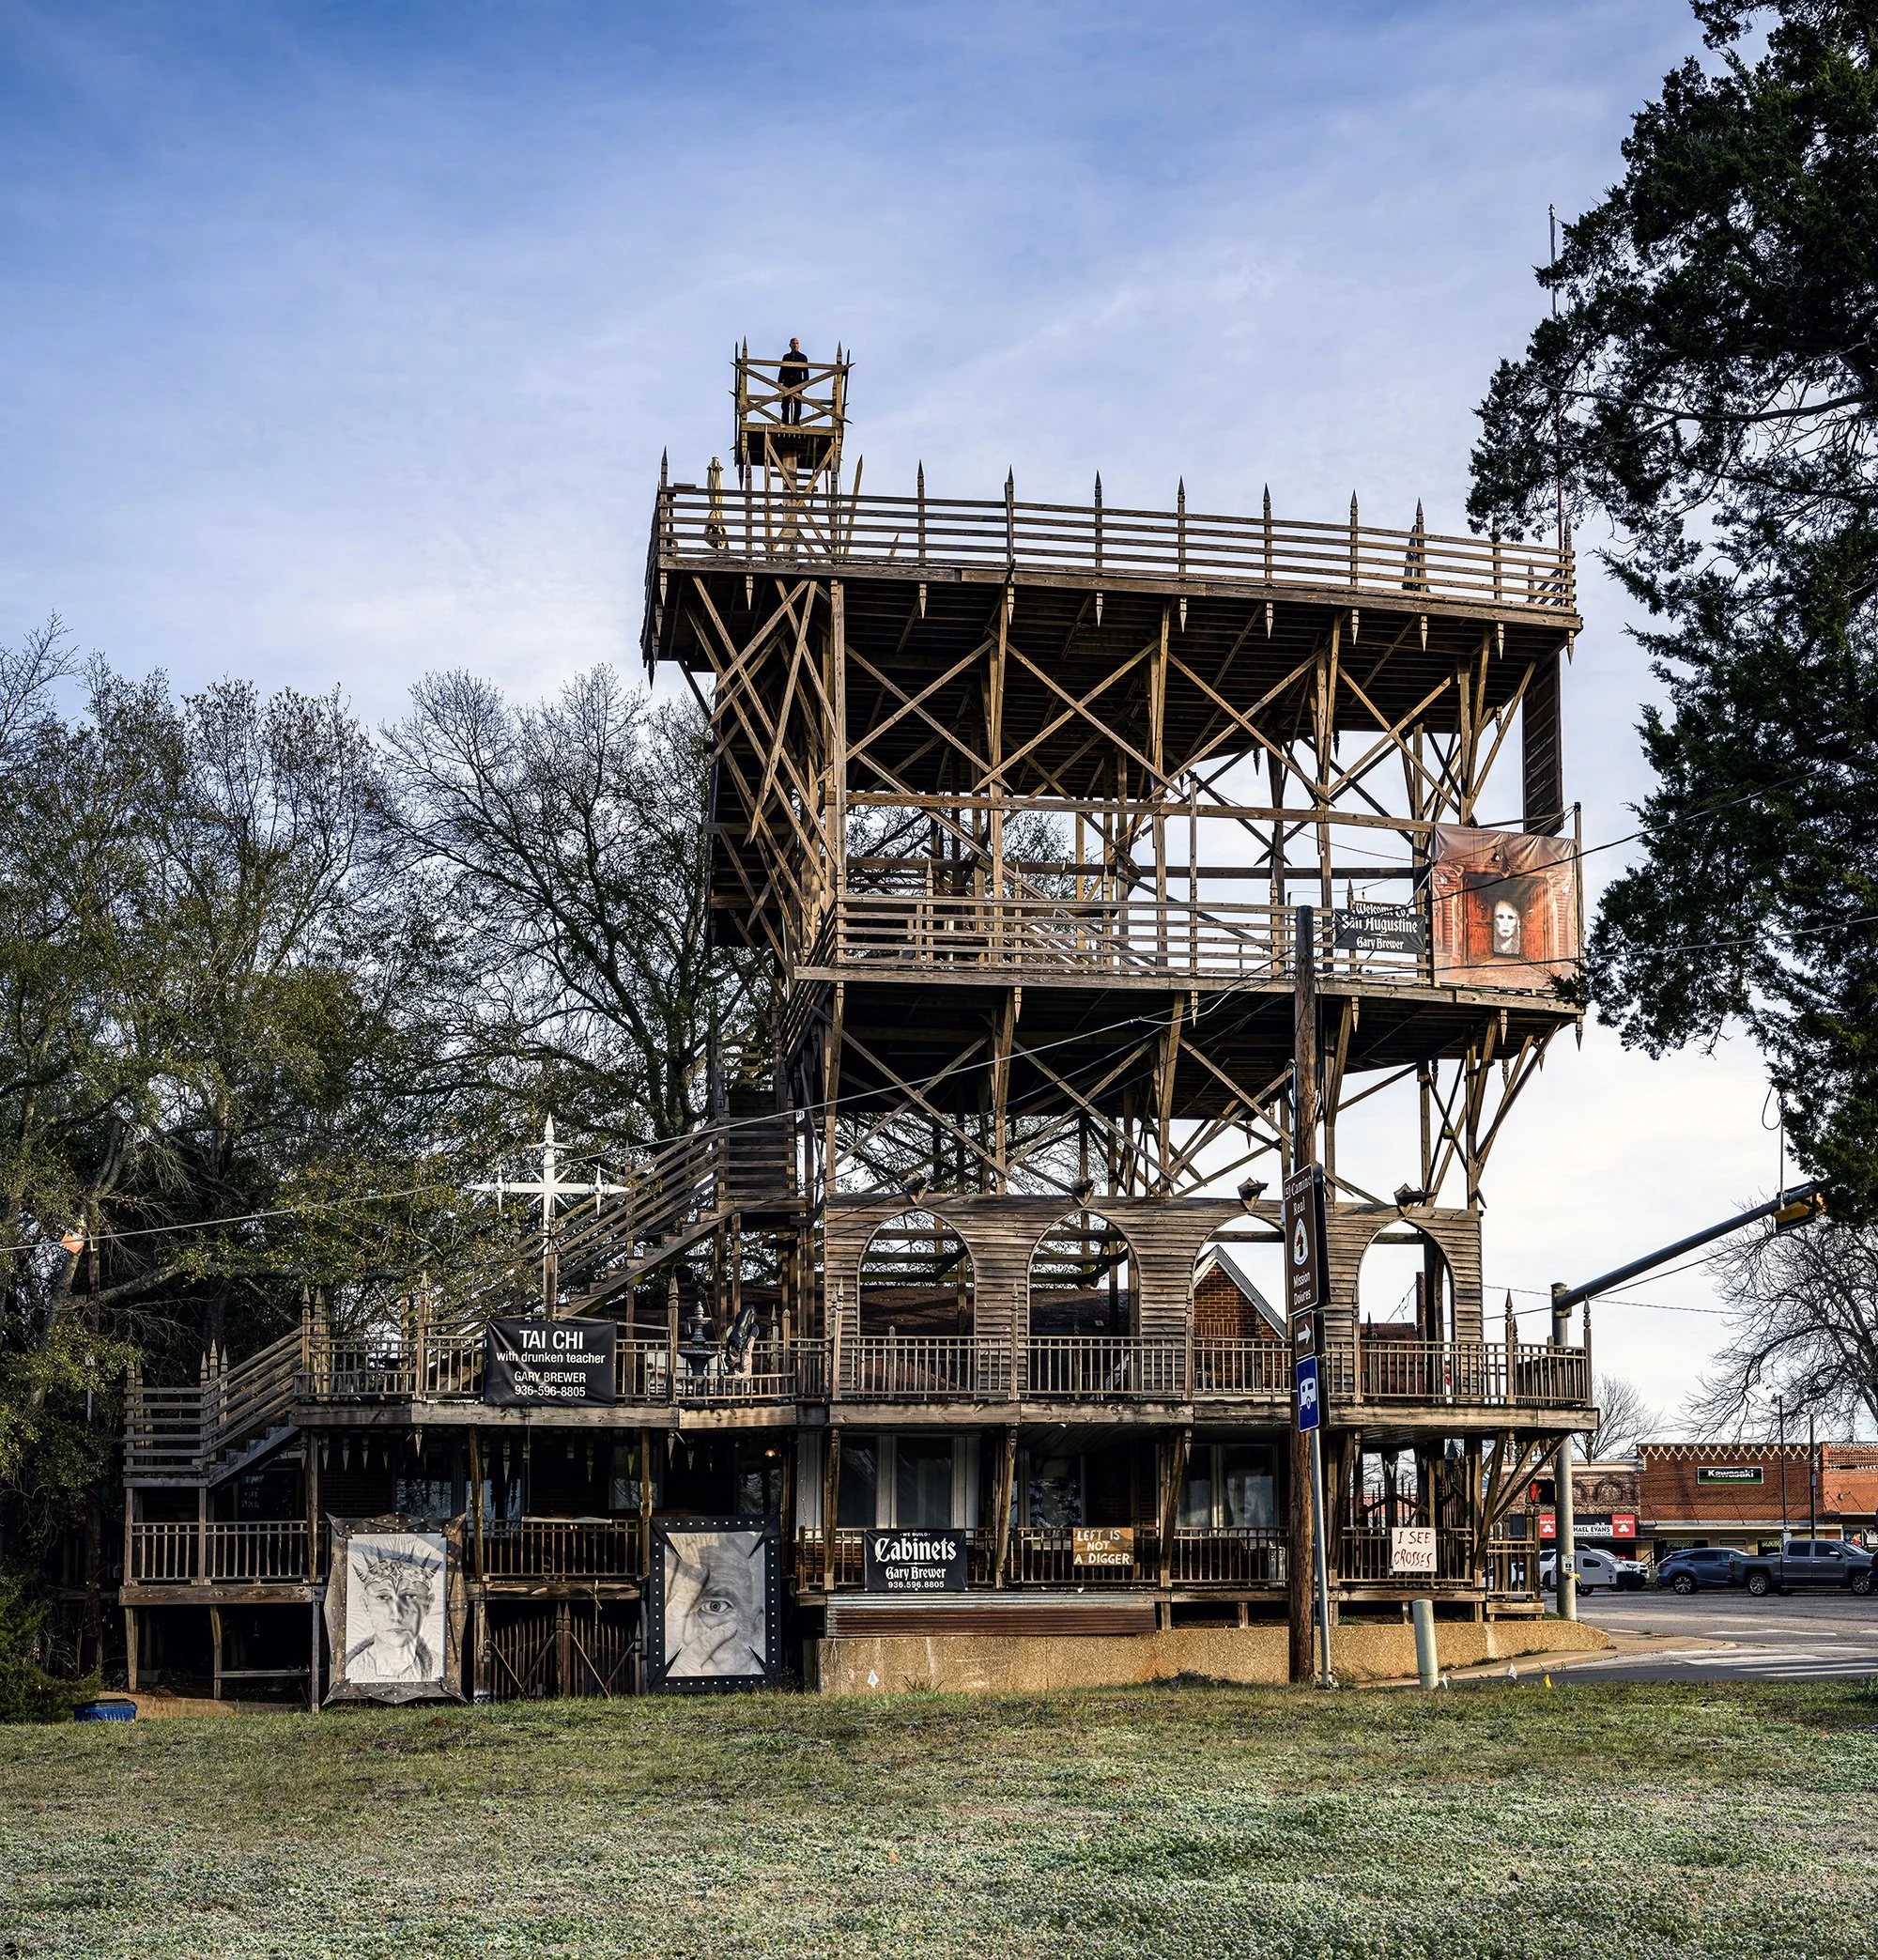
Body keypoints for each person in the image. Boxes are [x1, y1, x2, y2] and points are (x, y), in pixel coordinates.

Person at [778, 337, 808, 424]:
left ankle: (796, 422)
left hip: (798, 382)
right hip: (787, 382)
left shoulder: (803, 357)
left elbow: (805, 371)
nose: (795, 345)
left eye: (797, 343)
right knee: (785, 404)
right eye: (793, 343)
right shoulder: (786, 357)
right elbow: (782, 370)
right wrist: (780, 381)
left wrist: (806, 382)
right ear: (790, 345)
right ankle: (785, 422)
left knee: (798, 403)